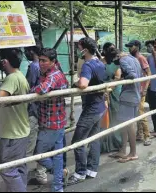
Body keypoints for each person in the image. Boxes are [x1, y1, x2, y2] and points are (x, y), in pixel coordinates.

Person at [67, 37, 106, 185]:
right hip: (100, 105)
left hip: (92, 108)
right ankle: (92, 169)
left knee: (77, 141)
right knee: (93, 138)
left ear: (85, 49)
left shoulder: (88, 65)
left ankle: (80, 172)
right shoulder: (99, 63)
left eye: (79, 47)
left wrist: (76, 82)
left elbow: (83, 84)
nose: (78, 50)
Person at [30, 48, 68, 192]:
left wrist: (32, 90)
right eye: (40, 60)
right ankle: (58, 186)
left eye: (44, 60)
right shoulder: (53, 74)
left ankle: (60, 174)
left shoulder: (53, 76)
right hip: (57, 121)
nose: (41, 63)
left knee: (38, 154)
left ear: (53, 61)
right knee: (57, 156)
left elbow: (41, 90)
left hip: (51, 123)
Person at [0, 48, 30, 192]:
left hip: (12, 132)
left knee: (7, 169)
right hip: (21, 129)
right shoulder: (20, 75)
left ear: (5, 62)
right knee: (19, 166)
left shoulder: (11, 78)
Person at [110, 44, 142, 163]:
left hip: (129, 95)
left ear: (117, 57)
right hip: (134, 94)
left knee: (129, 124)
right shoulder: (134, 59)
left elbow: (132, 75)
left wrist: (121, 80)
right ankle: (123, 150)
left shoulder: (123, 60)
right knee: (125, 123)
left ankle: (133, 153)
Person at [125, 40, 152, 146]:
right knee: (136, 112)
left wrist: (145, 88)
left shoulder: (141, 58)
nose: (129, 49)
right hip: (133, 89)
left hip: (140, 89)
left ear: (137, 47)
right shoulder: (131, 58)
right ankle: (139, 133)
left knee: (140, 112)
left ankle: (147, 135)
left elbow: (149, 73)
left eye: (131, 46)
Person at [100, 43, 123, 154]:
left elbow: (118, 78)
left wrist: (109, 89)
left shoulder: (117, 63)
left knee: (115, 116)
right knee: (103, 117)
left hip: (114, 92)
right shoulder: (100, 62)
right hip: (102, 92)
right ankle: (103, 144)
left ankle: (117, 143)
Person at [24, 39, 43, 155]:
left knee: (30, 139)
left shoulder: (33, 67)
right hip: (41, 107)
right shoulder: (43, 64)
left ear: (31, 51)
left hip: (33, 108)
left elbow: (28, 86)